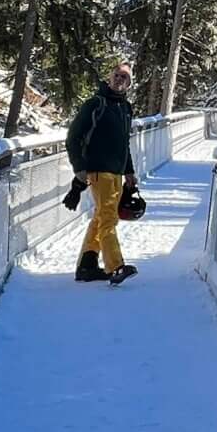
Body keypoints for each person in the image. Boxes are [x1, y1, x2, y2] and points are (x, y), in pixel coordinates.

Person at [66, 64, 140, 285]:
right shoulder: (95, 104)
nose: (119, 79)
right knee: (109, 218)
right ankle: (115, 266)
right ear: (109, 78)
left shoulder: (125, 108)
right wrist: (79, 168)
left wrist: (129, 171)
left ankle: (87, 266)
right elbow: (73, 137)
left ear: (129, 83)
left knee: (101, 216)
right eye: (116, 75)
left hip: (116, 172)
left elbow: (124, 143)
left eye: (124, 77)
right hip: (98, 170)